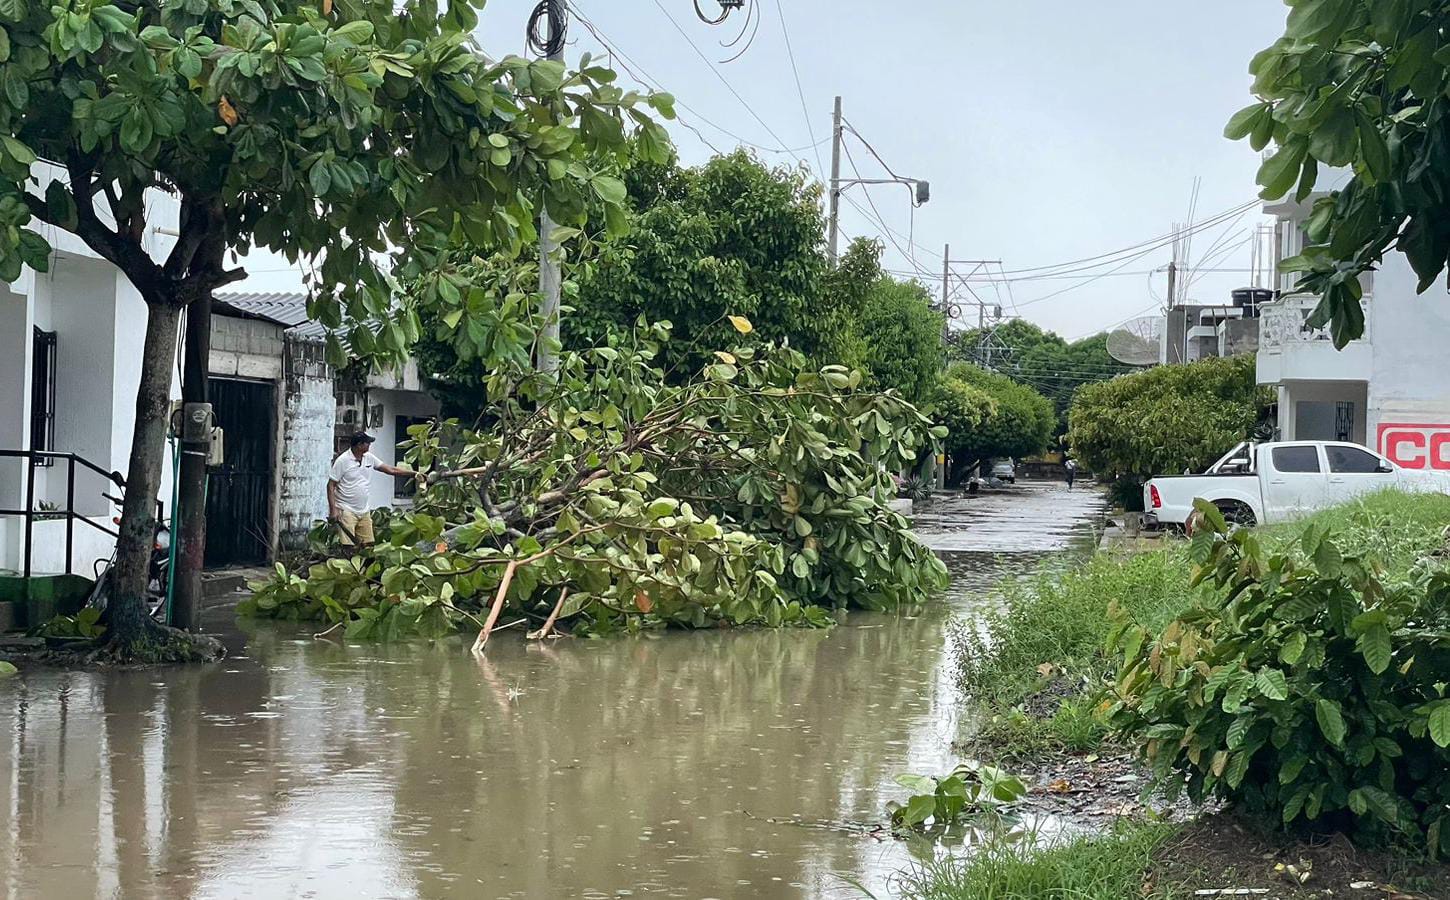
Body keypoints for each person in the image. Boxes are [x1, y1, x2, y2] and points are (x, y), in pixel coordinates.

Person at [327, 432, 418, 547]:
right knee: (348, 546)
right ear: (359, 445)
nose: (369, 445)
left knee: (369, 545)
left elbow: (391, 470)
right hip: (346, 509)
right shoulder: (343, 461)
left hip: (363, 510)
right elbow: (331, 485)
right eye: (367, 443)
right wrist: (333, 510)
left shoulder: (369, 457)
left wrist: (414, 474)